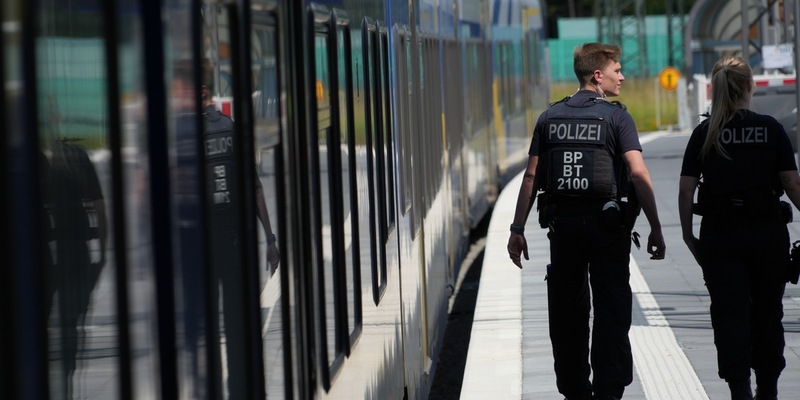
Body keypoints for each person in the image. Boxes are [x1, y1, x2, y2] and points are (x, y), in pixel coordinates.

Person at [506, 42, 666, 400]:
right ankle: (608, 391)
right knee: (611, 310)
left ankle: (575, 389)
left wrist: (517, 229)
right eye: (616, 71)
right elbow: (638, 174)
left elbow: (531, 177)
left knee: (567, 313)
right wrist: (656, 226)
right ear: (598, 75)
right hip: (608, 229)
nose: (622, 76)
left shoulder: (549, 118)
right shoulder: (617, 118)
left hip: (563, 230)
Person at [678, 56, 800, 400]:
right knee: (767, 313)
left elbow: (686, 189)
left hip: (720, 236)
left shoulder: (705, 132)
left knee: (728, 316)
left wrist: (689, 235)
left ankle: (739, 389)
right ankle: (769, 388)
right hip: (766, 236)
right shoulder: (771, 128)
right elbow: (791, 183)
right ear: (750, 86)